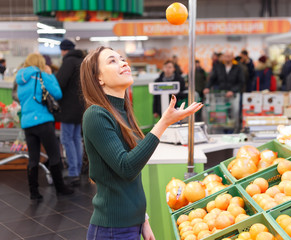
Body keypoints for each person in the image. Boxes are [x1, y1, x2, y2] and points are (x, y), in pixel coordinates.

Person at [80, 46, 202, 240]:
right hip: (112, 230)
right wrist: (164, 123)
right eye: (112, 61)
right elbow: (126, 167)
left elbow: (133, 177)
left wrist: (143, 219)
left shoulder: (122, 112)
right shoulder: (95, 115)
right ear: (98, 79)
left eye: (121, 59)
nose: (123, 63)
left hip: (130, 225)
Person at [16, 53, 73, 200]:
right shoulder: (42, 75)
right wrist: (49, 74)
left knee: (33, 158)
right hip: (43, 121)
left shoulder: (20, 80)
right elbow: (57, 93)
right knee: (54, 155)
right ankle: (60, 188)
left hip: (27, 123)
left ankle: (34, 192)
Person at [55, 39, 85, 186]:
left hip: (68, 107)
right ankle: (77, 169)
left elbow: (59, 84)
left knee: (67, 139)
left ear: (63, 50)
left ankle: (73, 172)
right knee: (76, 139)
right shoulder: (82, 62)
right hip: (80, 107)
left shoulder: (68, 62)